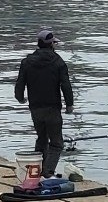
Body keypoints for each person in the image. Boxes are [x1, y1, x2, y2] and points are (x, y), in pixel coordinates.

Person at [14, 29, 74, 178]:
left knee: (41, 139)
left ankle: (37, 171)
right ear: (51, 44)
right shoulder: (58, 62)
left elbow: (20, 84)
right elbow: (65, 85)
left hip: (35, 108)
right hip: (53, 108)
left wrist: (20, 98)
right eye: (54, 42)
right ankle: (47, 172)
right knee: (56, 143)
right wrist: (69, 104)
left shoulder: (27, 62)